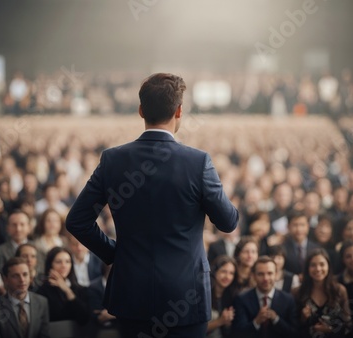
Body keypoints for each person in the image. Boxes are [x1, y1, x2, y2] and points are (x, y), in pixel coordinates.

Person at [66, 73, 239, 337]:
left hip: (132, 293)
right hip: (186, 296)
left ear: (140, 110)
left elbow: (77, 220)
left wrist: (115, 253)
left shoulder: (113, 160)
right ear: (179, 110)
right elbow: (228, 222)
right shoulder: (198, 162)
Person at [231, 256, 297, 338]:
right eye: (260, 274)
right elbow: (238, 333)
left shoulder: (288, 300)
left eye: (270, 273)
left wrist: (276, 319)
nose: (265, 278)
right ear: (254, 276)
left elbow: (294, 333)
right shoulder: (241, 299)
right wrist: (256, 322)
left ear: (276, 275)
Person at [0, 257, 50, 338]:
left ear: (30, 277)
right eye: (15, 276)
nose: (22, 280)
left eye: (25, 274)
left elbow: (44, 335)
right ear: (5, 279)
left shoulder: (42, 302)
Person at [293, 248, 351, 338]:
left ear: (328, 266)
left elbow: (348, 324)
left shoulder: (339, 290)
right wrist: (303, 318)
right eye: (313, 265)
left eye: (322, 264)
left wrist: (331, 329)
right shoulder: (297, 292)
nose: (318, 269)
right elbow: (292, 327)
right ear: (307, 268)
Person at [36, 247, 90, 327]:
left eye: (67, 262)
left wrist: (67, 290)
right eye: (58, 262)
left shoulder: (80, 289)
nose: (64, 266)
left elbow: (84, 319)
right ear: (50, 265)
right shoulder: (42, 291)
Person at [282, 209, 321, 277]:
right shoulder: (282, 248)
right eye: (295, 225)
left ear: (308, 226)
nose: (299, 229)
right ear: (288, 227)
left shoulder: (317, 248)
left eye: (302, 225)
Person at [206, 255, 237, 338]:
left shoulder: (232, 295)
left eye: (231, 273)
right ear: (215, 271)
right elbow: (196, 329)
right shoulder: (204, 294)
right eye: (223, 271)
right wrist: (220, 321)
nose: (227, 277)